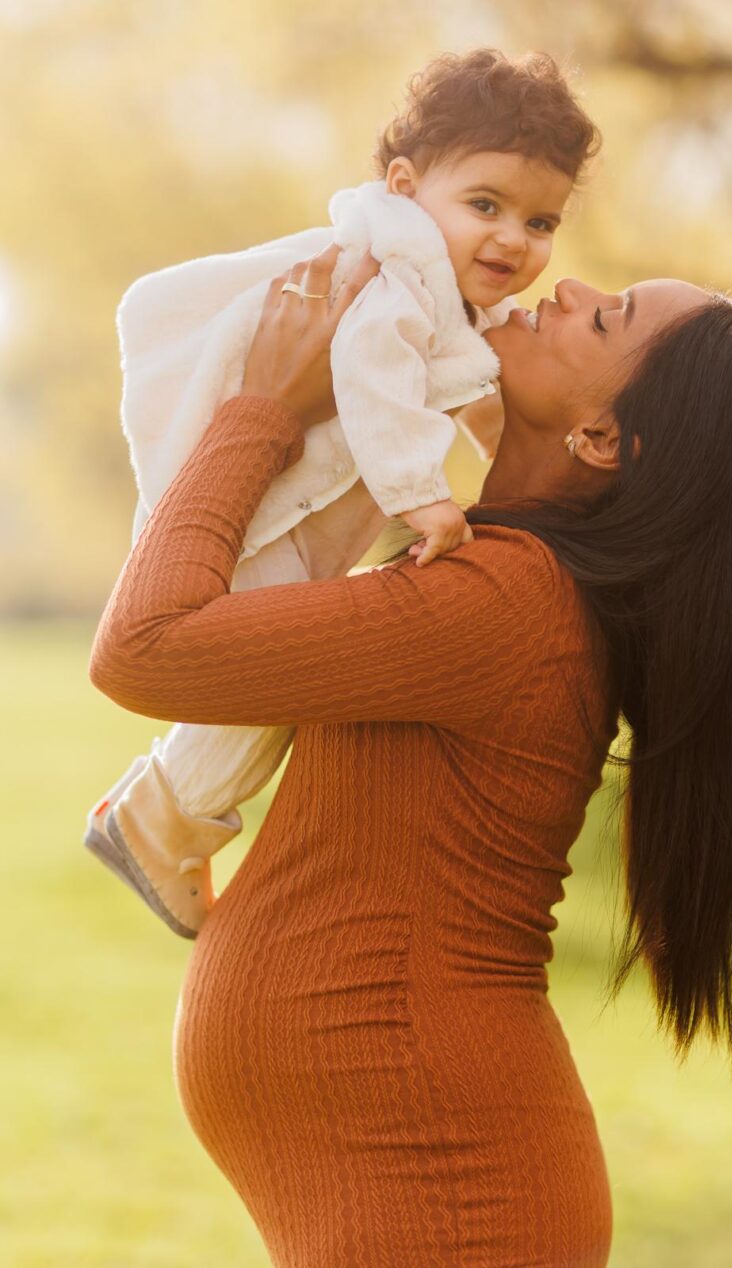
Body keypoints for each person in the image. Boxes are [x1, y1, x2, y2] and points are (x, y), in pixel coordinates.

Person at [88, 242, 732, 1267]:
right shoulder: (503, 572)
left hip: (455, 1204)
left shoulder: (511, 606)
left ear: (601, 437)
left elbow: (144, 645)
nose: (568, 287)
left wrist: (261, 408)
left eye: (603, 319)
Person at [83, 48, 599, 939]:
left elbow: (466, 379)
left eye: (540, 220)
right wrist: (419, 495)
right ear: (403, 187)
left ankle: (163, 811)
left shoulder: (442, 283)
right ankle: (161, 818)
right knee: (277, 682)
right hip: (257, 504)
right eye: (486, 205)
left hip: (282, 503)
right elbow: (369, 375)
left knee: (287, 672)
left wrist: (495, 431)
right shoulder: (393, 276)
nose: (515, 241)